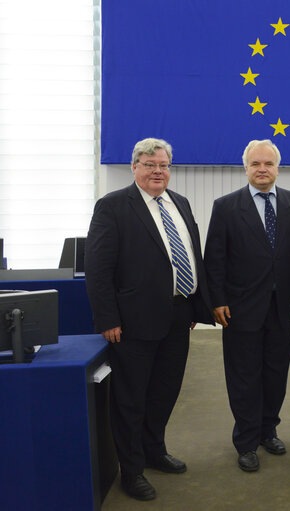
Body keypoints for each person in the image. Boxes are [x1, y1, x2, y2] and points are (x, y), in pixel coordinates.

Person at [85, 137, 213, 501]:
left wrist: (195, 305)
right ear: (134, 167)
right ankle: (132, 470)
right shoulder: (112, 207)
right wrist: (107, 318)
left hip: (178, 315)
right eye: (150, 164)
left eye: (164, 165)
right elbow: (98, 269)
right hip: (132, 322)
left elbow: (192, 257)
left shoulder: (181, 204)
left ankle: (154, 450)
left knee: (164, 392)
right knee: (131, 398)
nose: (158, 171)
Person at [204, 139, 290, 473]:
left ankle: (268, 430)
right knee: (244, 377)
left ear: (278, 167)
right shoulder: (226, 207)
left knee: (276, 374)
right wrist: (216, 301)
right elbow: (214, 260)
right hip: (240, 309)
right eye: (255, 164)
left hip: (282, 308)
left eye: (268, 164)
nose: (262, 170)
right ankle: (246, 441)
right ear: (245, 167)